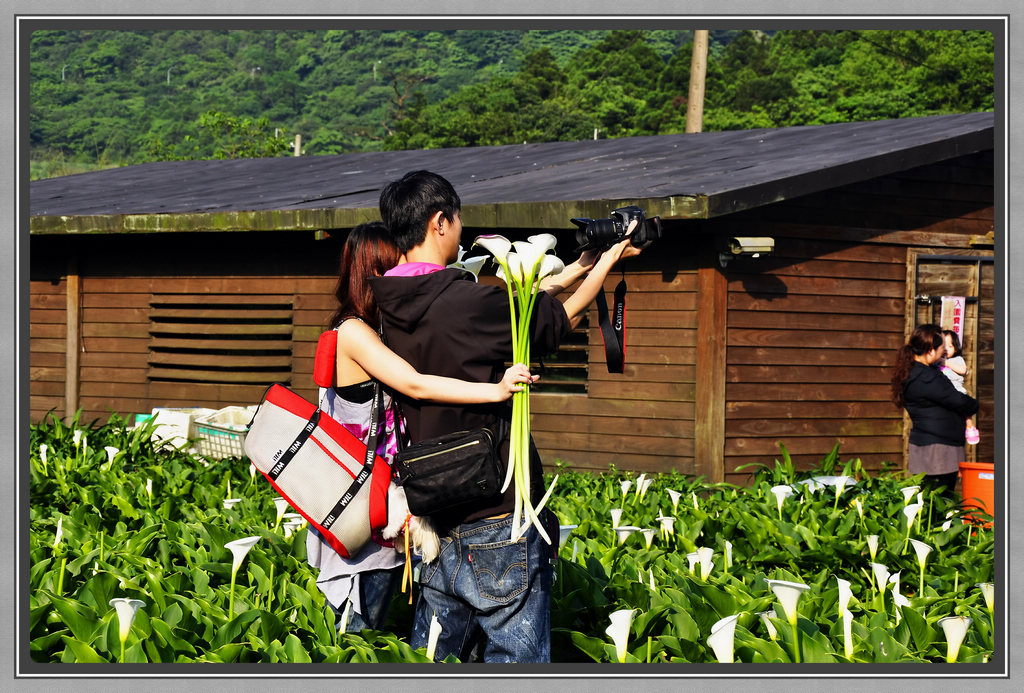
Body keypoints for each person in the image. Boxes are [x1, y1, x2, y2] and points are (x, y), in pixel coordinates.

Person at [370, 169, 644, 663]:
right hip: (496, 507)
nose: (459, 232)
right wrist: (608, 259)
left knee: (432, 659)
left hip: (433, 505)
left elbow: (525, 310)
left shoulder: (389, 303)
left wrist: (583, 263)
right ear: (440, 222)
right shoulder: (467, 299)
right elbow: (551, 323)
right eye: (457, 222)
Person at [307, 221, 539, 633]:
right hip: (366, 512)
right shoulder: (354, 333)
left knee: (382, 632)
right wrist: (495, 391)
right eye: (398, 265)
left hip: (384, 509)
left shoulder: (379, 330)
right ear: (376, 273)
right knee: (357, 637)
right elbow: (414, 383)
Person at [891, 324, 978, 498]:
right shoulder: (925, 377)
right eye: (941, 348)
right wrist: (973, 404)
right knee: (939, 501)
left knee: (932, 501)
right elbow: (957, 400)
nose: (943, 352)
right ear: (931, 351)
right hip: (938, 449)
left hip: (933, 445)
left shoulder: (917, 371)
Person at [940, 329, 977, 437]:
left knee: (966, 411)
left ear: (956, 349)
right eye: (943, 346)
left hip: (957, 390)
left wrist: (945, 362)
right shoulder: (936, 361)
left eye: (950, 346)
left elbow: (963, 370)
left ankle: (970, 426)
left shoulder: (957, 359)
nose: (946, 349)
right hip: (945, 392)